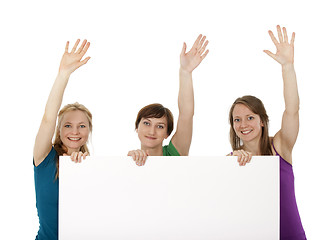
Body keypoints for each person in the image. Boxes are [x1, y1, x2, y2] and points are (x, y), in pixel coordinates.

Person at [229, 26, 306, 239]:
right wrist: (231, 165)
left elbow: (292, 109)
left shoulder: (281, 145)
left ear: (262, 121)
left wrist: (288, 67)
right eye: (237, 120)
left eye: (250, 117)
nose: (243, 124)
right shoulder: (230, 160)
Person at [33, 39, 92, 240]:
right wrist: (63, 74)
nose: (74, 131)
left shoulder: (93, 167)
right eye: (68, 125)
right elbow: (48, 118)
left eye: (81, 126)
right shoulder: (44, 158)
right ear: (58, 131)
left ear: (89, 131)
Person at [128, 34, 209, 166]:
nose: (152, 131)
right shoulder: (128, 160)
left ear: (167, 134)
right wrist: (129, 162)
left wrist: (185, 72)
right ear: (137, 127)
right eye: (147, 123)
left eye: (160, 126)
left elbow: (186, 114)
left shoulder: (174, 154)